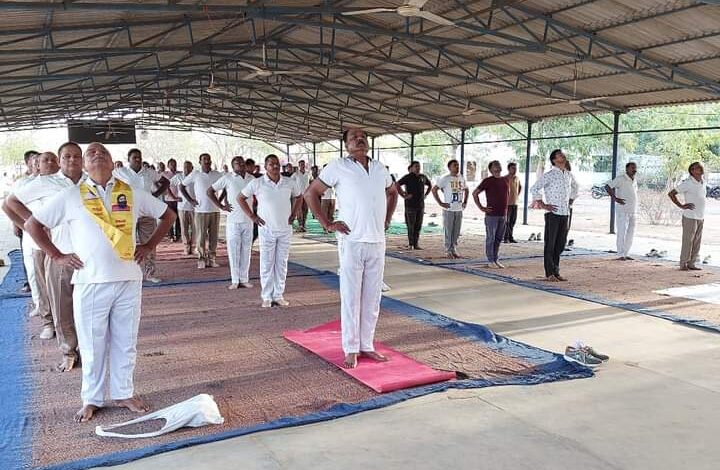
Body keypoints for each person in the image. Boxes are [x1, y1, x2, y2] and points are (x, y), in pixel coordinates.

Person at [24, 142, 176, 423]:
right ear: (84, 165)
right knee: (92, 344)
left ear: (111, 160)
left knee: (125, 341)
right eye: (91, 152)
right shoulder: (71, 195)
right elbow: (33, 224)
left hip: (128, 278)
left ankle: (123, 392)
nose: (97, 154)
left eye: (103, 151)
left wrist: (148, 246)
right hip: (90, 280)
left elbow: (168, 215)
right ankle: (91, 399)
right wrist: (56, 255)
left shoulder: (130, 192)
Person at [305, 128, 399, 369]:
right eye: (353, 138)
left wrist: (387, 218)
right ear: (346, 145)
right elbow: (311, 193)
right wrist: (327, 223)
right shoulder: (338, 166)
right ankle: (351, 348)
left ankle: (367, 344)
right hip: (352, 240)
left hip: (377, 241)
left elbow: (393, 192)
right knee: (351, 297)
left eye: (363, 137)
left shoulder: (379, 168)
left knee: (372, 297)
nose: (359, 140)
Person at [3, 143, 85, 371]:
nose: (72, 160)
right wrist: (32, 226)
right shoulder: (46, 182)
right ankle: (69, 351)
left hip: (88, 255)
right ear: (60, 160)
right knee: (61, 307)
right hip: (60, 253)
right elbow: (9, 203)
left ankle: (89, 348)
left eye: (76, 156)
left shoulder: (89, 182)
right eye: (66, 156)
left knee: (87, 307)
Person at [3, 152, 59, 339]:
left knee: (62, 287)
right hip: (39, 244)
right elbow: (7, 205)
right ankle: (48, 322)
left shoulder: (65, 183)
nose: (49, 163)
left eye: (53, 159)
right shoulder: (28, 185)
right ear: (37, 166)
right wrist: (29, 226)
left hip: (63, 243)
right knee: (42, 284)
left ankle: (65, 322)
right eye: (44, 160)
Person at [238, 155, 303, 307]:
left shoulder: (289, 182)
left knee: (281, 264)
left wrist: (294, 214)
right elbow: (240, 198)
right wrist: (252, 216)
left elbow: (299, 197)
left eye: (276, 164)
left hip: (285, 229)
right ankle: (267, 296)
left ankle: (278, 295)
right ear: (265, 166)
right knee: (267, 263)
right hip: (266, 230)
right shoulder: (258, 183)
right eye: (271, 164)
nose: (274, 166)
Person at [114, 149, 170, 283]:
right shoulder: (120, 172)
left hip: (147, 213)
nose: (138, 159)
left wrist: (154, 196)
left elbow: (166, 182)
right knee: (127, 243)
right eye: (134, 157)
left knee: (149, 243)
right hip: (127, 213)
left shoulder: (149, 172)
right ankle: (128, 273)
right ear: (128, 159)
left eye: (139, 157)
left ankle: (150, 273)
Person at [530, 149, 578, 282]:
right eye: (560, 155)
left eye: (563, 154)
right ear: (554, 160)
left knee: (560, 244)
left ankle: (556, 271)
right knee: (550, 244)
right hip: (553, 213)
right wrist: (543, 204)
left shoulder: (568, 174)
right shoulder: (550, 175)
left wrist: (571, 199)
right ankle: (549, 273)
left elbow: (576, 187)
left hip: (565, 213)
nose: (563, 156)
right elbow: (534, 188)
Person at [208, 156, 255, 289]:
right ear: (233, 165)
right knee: (234, 250)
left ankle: (244, 279)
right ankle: (235, 279)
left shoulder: (252, 179)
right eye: (237, 163)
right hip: (233, 220)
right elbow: (210, 191)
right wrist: (221, 206)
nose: (240, 165)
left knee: (246, 250)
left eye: (242, 162)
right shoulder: (227, 178)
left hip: (248, 220)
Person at [180, 154, 222, 269]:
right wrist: (190, 200)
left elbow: (225, 186)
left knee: (214, 237)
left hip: (214, 210)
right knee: (201, 236)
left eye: (208, 159)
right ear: (200, 162)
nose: (207, 161)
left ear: (211, 161)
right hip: (200, 211)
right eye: (204, 159)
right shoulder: (195, 174)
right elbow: (181, 186)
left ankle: (212, 259)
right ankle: (201, 259)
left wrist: (220, 200)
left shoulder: (217, 174)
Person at [669, 162, 706, 271]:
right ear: (692, 171)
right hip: (690, 216)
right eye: (697, 168)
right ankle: (683, 263)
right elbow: (671, 193)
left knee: (697, 241)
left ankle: (692, 263)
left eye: (701, 167)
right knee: (688, 241)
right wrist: (681, 205)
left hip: (700, 216)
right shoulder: (688, 183)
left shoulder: (703, 182)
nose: (700, 169)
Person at [473, 160, 510, 268]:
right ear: (490, 169)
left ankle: (495, 258)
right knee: (491, 238)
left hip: (503, 214)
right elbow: (475, 193)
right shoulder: (488, 181)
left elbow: (507, 195)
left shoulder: (505, 180)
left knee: (498, 238)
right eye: (495, 165)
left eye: (499, 164)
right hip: (491, 215)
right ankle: (490, 260)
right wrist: (481, 207)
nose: (498, 167)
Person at [432, 159, 468, 259]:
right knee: (448, 230)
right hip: (449, 209)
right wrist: (440, 203)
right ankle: (448, 249)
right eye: (454, 165)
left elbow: (466, 189)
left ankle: (453, 248)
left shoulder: (461, 177)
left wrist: (465, 201)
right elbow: (434, 189)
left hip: (459, 209)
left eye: (458, 165)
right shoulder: (445, 178)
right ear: (449, 168)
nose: (457, 167)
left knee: (456, 231)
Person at [605, 162, 638, 260]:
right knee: (622, 232)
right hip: (622, 210)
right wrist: (615, 198)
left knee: (630, 233)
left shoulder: (634, 180)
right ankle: (620, 254)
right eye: (632, 168)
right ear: (627, 169)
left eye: (635, 168)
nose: (634, 170)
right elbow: (608, 186)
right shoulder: (621, 178)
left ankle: (626, 253)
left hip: (633, 210)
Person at [396, 161, 432, 250]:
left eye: (419, 166)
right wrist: (403, 194)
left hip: (420, 205)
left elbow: (430, 185)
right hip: (410, 205)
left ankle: (416, 244)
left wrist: (426, 194)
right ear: (411, 168)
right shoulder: (408, 177)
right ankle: (411, 244)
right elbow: (397, 184)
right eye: (416, 166)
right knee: (411, 225)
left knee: (418, 225)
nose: (418, 168)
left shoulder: (423, 177)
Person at [171, 161, 196, 255]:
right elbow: (167, 185)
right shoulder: (178, 177)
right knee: (184, 229)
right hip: (182, 207)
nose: (186, 169)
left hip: (194, 207)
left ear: (192, 168)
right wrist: (174, 197)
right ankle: (186, 247)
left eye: (188, 167)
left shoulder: (195, 176)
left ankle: (193, 247)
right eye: (185, 167)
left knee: (195, 228)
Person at [162, 158, 182, 242]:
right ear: (168, 166)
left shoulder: (180, 174)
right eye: (171, 164)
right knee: (170, 218)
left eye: (175, 164)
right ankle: (171, 235)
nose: (173, 166)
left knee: (178, 218)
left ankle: (178, 235)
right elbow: (166, 187)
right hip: (168, 200)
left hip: (179, 200)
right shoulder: (165, 174)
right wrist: (173, 197)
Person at [504, 162, 521, 243]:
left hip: (515, 203)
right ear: (508, 169)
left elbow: (520, 187)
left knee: (512, 221)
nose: (514, 170)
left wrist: (516, 196)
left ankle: (510, 237)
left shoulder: (517, 178)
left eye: (515, 168)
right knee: (506, 221)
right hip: (507, 203)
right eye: (513, 168)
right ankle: (506, 237)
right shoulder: (505, 178)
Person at [292, 160, 311, 232]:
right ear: (299, 165)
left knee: (305, 210)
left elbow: (311, 182)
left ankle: (304, 224)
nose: (302, 165)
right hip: (298, 195)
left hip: (306, 195)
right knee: (299, 210)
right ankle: (300, 225)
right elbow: (291, 183)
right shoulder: (295, 174)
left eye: (303, 164)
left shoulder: (308, 173)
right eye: (301, 164)